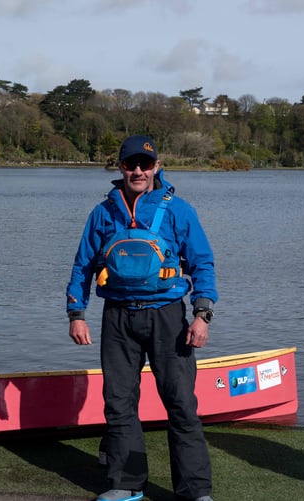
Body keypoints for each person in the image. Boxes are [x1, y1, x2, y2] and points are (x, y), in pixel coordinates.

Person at [66, 135, 217, 501]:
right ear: (120, 168)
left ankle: (195, 490)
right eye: (130, 164)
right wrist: (76, 313)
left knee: (180, 402)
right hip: (117, 317)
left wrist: (202, 315)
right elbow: (82, 265)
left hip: (167, 317)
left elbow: (202, 263)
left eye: (145, 165)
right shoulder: (102, 212)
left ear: (156, 167)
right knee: (118, 402)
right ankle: (127, 483)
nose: (137, 171)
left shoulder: (179, 210)